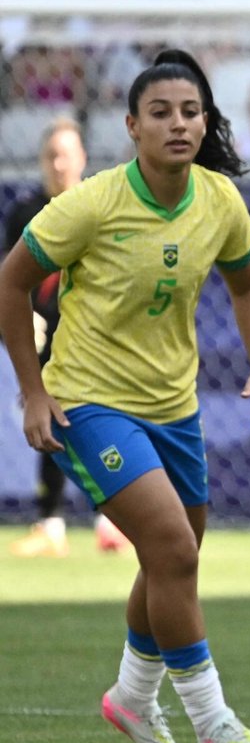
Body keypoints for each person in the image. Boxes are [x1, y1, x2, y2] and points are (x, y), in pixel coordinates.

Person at [0, 49, 250, 743]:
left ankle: (131, 695)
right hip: (89, 403)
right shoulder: (91, 203)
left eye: (191, 112)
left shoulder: (218, 200)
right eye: (161, 112)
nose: (178, 124)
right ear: (132, 126)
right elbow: (11, 282)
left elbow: (248, 286)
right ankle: (214, 723)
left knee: (170, 561)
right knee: (174, 551)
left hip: (174, 406)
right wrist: (34, 392)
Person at [6, 119, 132, 558]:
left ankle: (110, 519)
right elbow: (12, 281)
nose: (59, 164)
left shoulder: (98, 209)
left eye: (67, 154)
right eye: (51, 155)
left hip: (92, 338)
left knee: (101, 422)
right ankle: (54, 522)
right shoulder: (25, 214)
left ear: (82, 159)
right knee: (50, 421)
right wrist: (23, 323)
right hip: (44, 339)